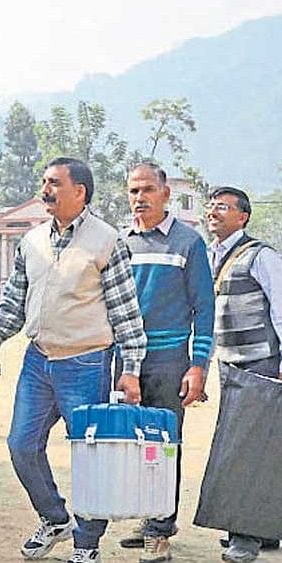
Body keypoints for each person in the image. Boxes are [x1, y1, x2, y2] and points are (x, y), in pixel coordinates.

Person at [0, 157, 148, 563]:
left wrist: (131, 371)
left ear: (79, 192)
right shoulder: (31, 241)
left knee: (89, 458)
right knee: (21, 445)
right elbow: (15, 300)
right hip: (38, 362)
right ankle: (54, 518)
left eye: (53, 183)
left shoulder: (106, 241)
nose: (45, 189)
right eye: (44, 182)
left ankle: (86, 545)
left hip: (86, 363)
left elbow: (126, 312)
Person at [114, 163, 214, 562]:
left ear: (166, 193)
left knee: (165, 443)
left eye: (147, 190)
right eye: (133, 191)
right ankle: (151, 517)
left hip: (171, 360)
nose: (140, 198)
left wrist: (198, 364)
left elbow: (204, 307)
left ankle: (160, 530)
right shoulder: (120, 242)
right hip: (126, 360)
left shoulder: (189, 242)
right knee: (136, 445)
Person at [193, 186, 282, 563]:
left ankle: (243, 536)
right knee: (258, 452)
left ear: (243, 216)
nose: (214, 212)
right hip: (230, 367)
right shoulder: (210, 256)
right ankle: (264, 531)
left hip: (260, 367)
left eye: (223, 207)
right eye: (211, 206)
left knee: (244, 455)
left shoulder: (261, 257)